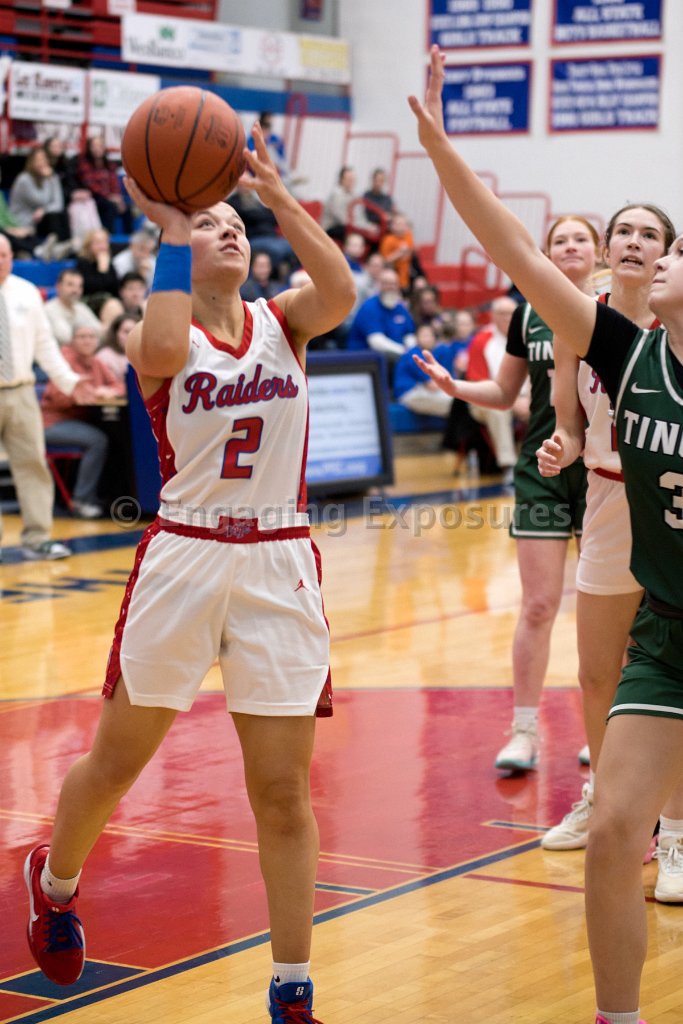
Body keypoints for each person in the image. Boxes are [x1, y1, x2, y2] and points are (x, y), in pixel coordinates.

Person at [23, 120, 355, 1024]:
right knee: (115, 764)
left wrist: (277, 196)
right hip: (186, 552)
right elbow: (165, 355)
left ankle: (292, 987)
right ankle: (54, 883)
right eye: (210, 222)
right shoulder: (157, 334)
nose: (230, 230)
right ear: (175, 240)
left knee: (282, 792)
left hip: (279, 558)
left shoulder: (284, 319)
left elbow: (341, 290)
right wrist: (173, 224)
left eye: (236, 222)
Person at [410, 46, 683, 1024]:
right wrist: (440, 150)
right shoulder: (624, 350)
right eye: (637, 244)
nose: (648, 257)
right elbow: (517, 255)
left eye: (666, 248)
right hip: (667, 630)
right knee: (612, 830)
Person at [413, 129, 594, 777]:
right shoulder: (526, 314)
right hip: (541, 471)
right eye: (558, 241)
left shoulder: (616, 311)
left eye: (579, 240)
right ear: (543, 253)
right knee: (538, 605)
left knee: (608, 612)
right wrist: (456, 387)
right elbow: (506, 391)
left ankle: (604, 729)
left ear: (598, 252)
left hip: (605, 474)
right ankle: (523, 731)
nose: (568, 248)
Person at [535, 203, 683, 901]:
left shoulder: (673, 324)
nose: (633, 242)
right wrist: (561, 446)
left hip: (664, 500)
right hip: (605, 497)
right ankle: (607, 797)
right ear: (606, 247)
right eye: (622, 231)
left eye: (649, 235)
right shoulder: (581, 323)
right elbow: (568, 423)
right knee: (598, 671)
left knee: (669, 672)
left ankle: (675, 831)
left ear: (665, 253)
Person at [0, 234, 84, 560]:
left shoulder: (26, 292)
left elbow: (44, 343)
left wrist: (69, 381)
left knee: (33, 464)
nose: (1, 260)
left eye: (5, 254)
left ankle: (38, 538)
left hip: (21, 390)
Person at [41, 324, 125, 518]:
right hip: (52, 423)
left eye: (91, 336)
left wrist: (109, 391)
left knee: (115, 436)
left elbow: (120, 385)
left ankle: (109, 496)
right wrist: (82, 393)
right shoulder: (64, 362)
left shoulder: (96, 362)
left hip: (80, 421)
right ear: (72, 341)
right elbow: (55, 397)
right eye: (82, 337)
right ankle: (82, 500)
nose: (87, 341)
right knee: (97, 440)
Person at [464, 296, 523, 482]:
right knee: (498, 410)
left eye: (511, 314)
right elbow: (478, 382)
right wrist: (511, 400)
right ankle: (509, 465)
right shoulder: (481, 340)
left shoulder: (525, 336)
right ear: (492, 316)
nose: (507, 318)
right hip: (487, 399)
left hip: (523, 397)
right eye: (502, 314)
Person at [346, 266, 416, 363]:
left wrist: (412, 350)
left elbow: (409, 334)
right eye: (386, 283)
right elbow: (376, 342)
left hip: (396, 358)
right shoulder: (369, 307)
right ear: (378, 285)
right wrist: (405, 352)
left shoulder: (400, 308)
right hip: (366, 361)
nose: (390, 287)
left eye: (394, 284)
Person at [8, 147, 71, 246]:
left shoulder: (51, 177)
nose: (42, 163)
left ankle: (64, 245)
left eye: (44, 159)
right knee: (52, 216)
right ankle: (59, 246)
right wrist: (50, 179)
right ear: (31, 162)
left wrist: (44, 210)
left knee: (60, 213)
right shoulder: (24, 179)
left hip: (39, 219)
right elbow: (40, 200)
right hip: (24, 221)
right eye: (38, 160)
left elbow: (59, 204)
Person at [394, 322, 454, 417]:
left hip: (425, 391)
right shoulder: (413, 355)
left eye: (430, 336)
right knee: (454, 403)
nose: (427, 339)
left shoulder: (433, 354)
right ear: (417, 338)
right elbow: (432, 385)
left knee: (457, 402)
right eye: (424, 336)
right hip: (408, 394)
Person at [73, 135, 130, 235]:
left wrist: (118, 197)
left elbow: (114, 182)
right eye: (94, 146)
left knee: (127, 208)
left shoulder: (109, 164)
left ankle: (129, 239)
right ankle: (108, 237)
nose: (97, 148)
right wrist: (109, 196)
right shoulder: (84, 164)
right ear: (89, 148)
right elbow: (90, 184)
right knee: (109, 207)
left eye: (100, 146)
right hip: (94, 198)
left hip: (111, 197)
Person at [44, 268, 102, 346]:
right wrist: (88, 335)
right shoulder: (49, 309)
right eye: (70, 285)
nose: (75, 290)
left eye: (79, 286)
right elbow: (64, 338)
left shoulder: (81, 307)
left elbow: (99, 331)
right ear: (58, 286)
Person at [75, 228, 120, 300]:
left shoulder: (108, 261)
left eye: (105, 242)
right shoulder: (83, 262)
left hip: (110, 300)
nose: (102, 246)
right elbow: (93, 289)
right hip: (89, 300)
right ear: (89, 245)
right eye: (98, 243)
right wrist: (102, 270)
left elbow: (115, 288)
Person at [96, 311, 139, 385]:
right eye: (126, 332)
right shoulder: (104, 357)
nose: (130, 335)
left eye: (134, 332)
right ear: (116, 333)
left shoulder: (143, 356)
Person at [379, 212, 417, 293]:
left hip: (407, 275)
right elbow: (385, 260)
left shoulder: (408, 236)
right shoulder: (388, 240)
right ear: (392, 226)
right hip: (393, 275)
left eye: (404, 224)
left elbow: (411, 251)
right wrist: (399, 253)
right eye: (398, 224)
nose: (401, 227)